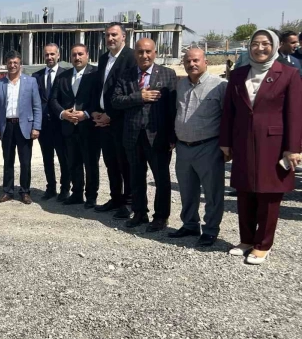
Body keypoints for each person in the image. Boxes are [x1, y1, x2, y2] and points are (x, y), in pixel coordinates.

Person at [219, 29, 302, 264]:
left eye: (266, 43)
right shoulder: (238, 74)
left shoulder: (288, 74)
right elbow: (229, 111)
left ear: (274, 46)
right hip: (243, 141)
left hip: (274, 143)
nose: (260, 48)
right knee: (244, 191)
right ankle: (246, 239)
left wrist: (293, 147)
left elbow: (295, 114)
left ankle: (263, 244)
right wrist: (225, 141)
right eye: (255, 43)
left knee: (269, 194)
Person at [112, 38, 177, 232]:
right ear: (135, 54)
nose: (144, 55)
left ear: (155, 53)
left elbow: (173, 108)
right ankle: (140, 212)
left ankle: (161, 217)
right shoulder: (126, 75)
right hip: (133, 136)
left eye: (148, 51)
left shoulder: (167, 74)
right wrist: (138, 97)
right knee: (136, 177)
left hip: (157, 137)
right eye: (140, 52)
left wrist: (172, 136)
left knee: (161, 179)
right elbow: (116, 101)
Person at [169, 49, 228, 246]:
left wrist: (227, 146)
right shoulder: (180, 85)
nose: (192, 64)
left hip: (208, 146)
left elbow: (229, 117)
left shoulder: (220, 86)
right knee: (187, 190)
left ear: (206, 62)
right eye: (188, 61)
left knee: (212, 192)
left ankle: (210, 230)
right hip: (183, 147)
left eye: (196, 60)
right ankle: (190, 225)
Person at [91, 24, 136, 218]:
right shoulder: (103, 59)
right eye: (107, 35)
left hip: (121, 120)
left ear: (123, 36)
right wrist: (96, 111)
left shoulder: (131, 57)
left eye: (114, 35)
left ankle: (129, 202)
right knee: (111, 162)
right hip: (103, 120)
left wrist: (110, 114)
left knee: (125, 163)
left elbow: (130, 91)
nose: (110, 38)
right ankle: (115, 198)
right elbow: (100, 88)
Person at [49, 44, 100, 208]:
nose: (77, 58)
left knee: (90, 164)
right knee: (73, 162)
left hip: (89, 127)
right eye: (74, 55)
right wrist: (63, 113)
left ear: (87, 55)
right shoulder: (63, 76)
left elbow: (99, 99)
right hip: (69, 128)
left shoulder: (95, 74)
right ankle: (77, 193)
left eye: (80, 54)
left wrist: (86, 114)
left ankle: (91, 196)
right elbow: (53, 100)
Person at [0, 51, 41, 205]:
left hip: (24, 126)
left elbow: (37, 106)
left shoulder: (30, 82)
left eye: (15, 63)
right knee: (8, 161)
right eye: (10, 63)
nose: (12, 65)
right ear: (6, 64)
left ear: (20, 64)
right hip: (6, 126)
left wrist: (36, 127)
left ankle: (25, 191)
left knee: (25, 161)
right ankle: (8, 191)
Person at [32, 43, 70, 201]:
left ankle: (65, 188)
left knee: (63, 158)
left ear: (58, 55)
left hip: (61, 123)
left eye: (52, 54)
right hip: (44, 125)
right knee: (47, 158)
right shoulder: (36, 76)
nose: (49, 57)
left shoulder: (66, 74)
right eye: (47, 54)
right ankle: (51, 188)